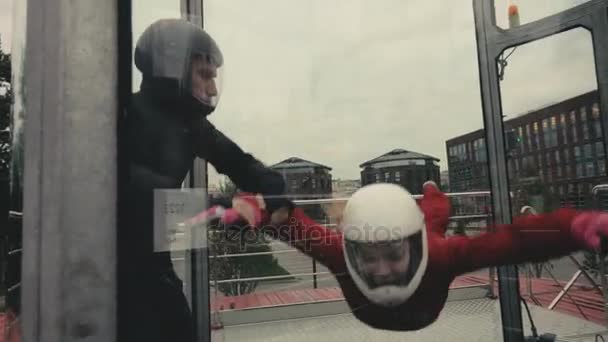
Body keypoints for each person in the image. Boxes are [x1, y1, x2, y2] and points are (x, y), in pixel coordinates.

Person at [207, 181, 608, 332]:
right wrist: (255, 209)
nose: (381, 270)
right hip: (423, 286)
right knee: (432, 225)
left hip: (423, 251)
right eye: (369, 257)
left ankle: (432, 193)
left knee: (434, 222)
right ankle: (430, 193)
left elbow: (514, 240)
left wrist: (574, 226)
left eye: (393, 255)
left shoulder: (436, 255)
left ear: (412, 249)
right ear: (352, 252)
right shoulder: (340, 254)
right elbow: (290, 223)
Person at [118, 18, 287, 342]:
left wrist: (274, 189)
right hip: (105, 276)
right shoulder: (124, 114)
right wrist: (223, 207)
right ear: (171, 70)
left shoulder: (191, 125)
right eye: (204, 75)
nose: (212, 88)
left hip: (153, 270)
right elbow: (136, 192)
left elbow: (242, 164)